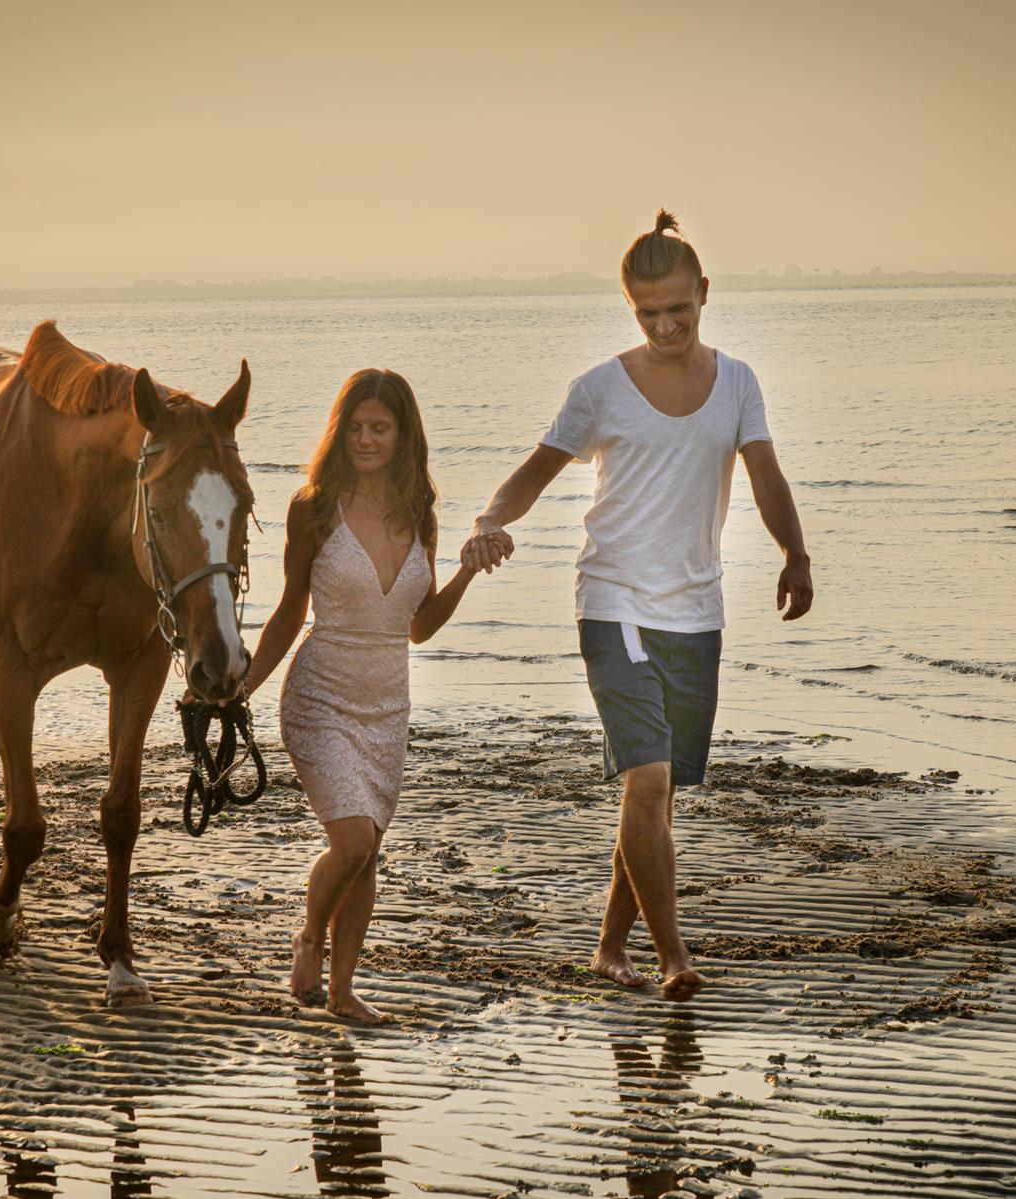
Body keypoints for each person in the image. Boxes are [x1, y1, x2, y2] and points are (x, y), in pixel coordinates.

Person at [461, 210, 814, 1003]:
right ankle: (673, 958)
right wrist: (490, 520)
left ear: (704, 294)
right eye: (648, 312)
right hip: (613, 597)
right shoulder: (600, 389)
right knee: (648, 781)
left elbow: (766, 476)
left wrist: (796, 553)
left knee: (655, 795)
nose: (664, 325)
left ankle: (609, 946)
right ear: (630, 306)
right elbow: (533, 474)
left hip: (698, 608)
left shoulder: (740, 382)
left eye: (678, 309)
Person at [242, 369, 481, 1024]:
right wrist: (243, 688)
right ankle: (309, 938)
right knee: (350, 844)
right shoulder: (313, 506)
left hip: (387, 708)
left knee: (366, 852)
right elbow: (291, 610)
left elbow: (420, 627)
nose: (367, 439)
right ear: (339, 431)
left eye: (380, 428)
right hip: (320, 698)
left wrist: (465, 571)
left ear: (403, 435)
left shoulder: (419, 515)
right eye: (356, 427)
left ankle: (343, 992)